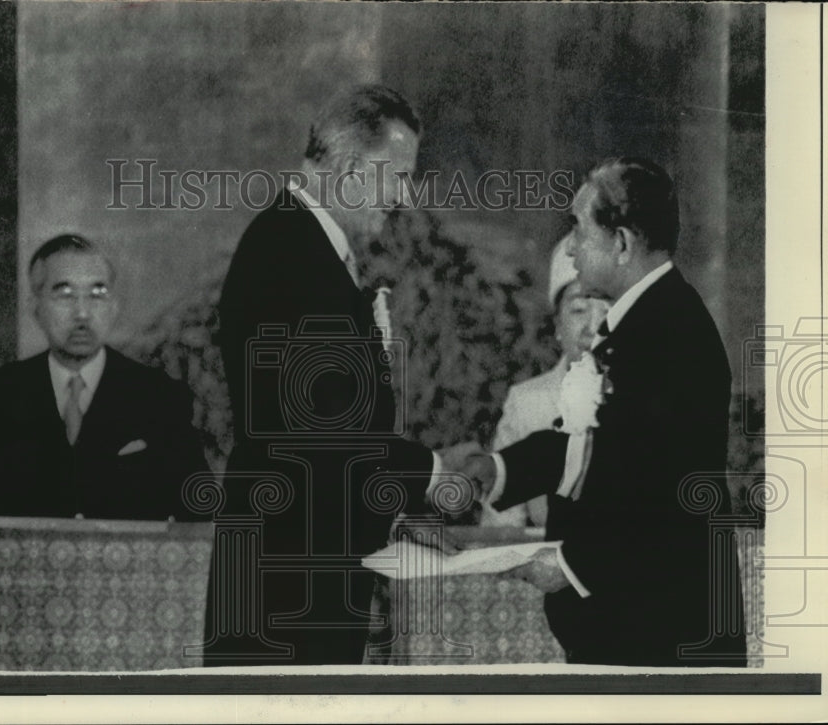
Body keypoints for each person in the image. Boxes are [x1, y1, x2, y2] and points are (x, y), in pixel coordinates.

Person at [204, 85, 472, 666]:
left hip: (293, 570)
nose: (401, 197)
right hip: (290, 585)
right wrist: (432, 472)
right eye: (397, 176)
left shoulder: (296, 242)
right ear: (351, 168)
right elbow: (325, 436)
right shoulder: (294, 254)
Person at [472, 158, 746, 666]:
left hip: (660, 639)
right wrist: (499, 469)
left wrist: (571, 564)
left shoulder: (669, 334)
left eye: (579, 227)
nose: (571, 245)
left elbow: (659, 490)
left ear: (621, 244)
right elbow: (600, 447)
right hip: (636, 629)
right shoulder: (645, 322)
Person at [0, 234, 211, 521]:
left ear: (114, 306)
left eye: (97, 294)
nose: (83, 313)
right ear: (35, 307)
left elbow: (199, 519)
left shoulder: (161, 398)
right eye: (64, 295)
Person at [483, 234, 609, 527]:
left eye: (607, 309)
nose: (593, 327)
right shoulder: (528, 405)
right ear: (558, 326)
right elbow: (501, 530)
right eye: (579, 309)